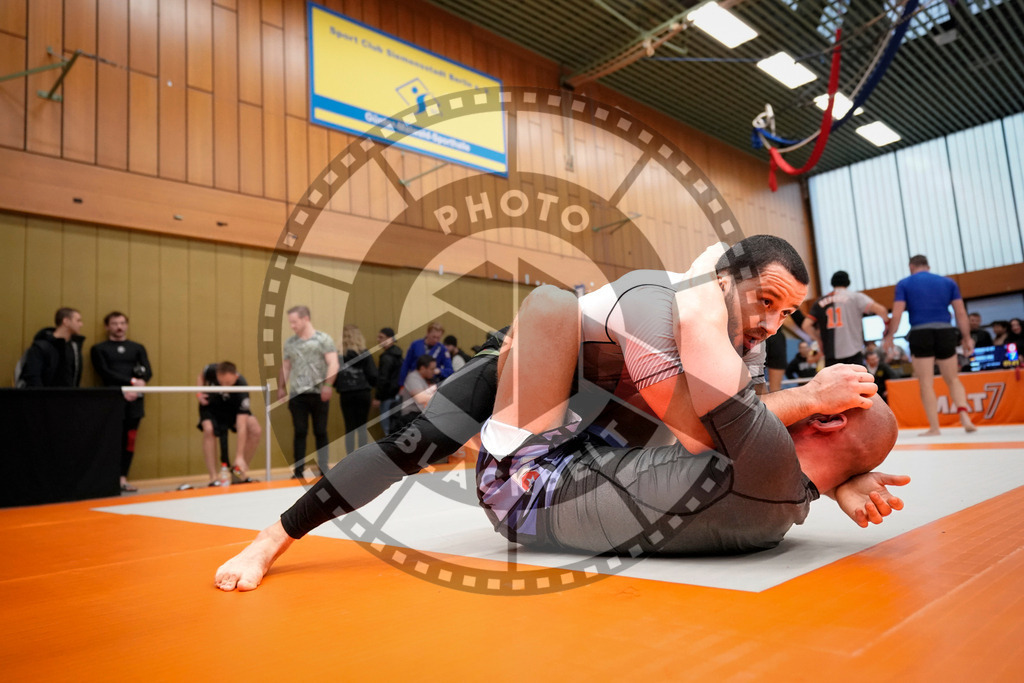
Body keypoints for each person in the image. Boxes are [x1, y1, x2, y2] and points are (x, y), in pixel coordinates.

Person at [214, 236, 879, 590]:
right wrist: (809, 398)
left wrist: (835, 476)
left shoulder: (735, 353)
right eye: (765, 301)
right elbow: (702, 429)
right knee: (424, 433)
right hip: (526, 422)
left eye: (787, 312)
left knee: (718, 410)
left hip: (588, 456)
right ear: (724, 281)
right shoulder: (656, 307)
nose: (772, 323)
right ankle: (275, 535)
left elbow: (752, 437)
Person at [474, 275, 906, 555]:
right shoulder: (787, 508)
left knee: (551, 302)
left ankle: (488, 389)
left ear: (828, 420)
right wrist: (837, 482)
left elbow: (696, 318)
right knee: (668, 401)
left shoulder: (766, 455)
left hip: (519, 484)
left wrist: (811, 393)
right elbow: (795, 465)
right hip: (566, 487)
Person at [885, 255, 976, 436]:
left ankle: (935, 427)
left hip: (921, 333)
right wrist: (966, 337)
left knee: (926, 383)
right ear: (928, 266)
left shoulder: (904, 284)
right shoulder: (948, 282)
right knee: (953, 378)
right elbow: (960, 312)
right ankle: (965, 418)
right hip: (945, 331)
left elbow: (897, 314)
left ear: (911, 266)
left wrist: (890, 336)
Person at [90, 312, 153, 493]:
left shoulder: (137, 348)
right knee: (112, 439)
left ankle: (122, 478)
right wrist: (130, 383)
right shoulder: (99, 349)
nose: (119, 327)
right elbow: (104, 372)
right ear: (107, 326)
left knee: (129, 440)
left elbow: (147, 371)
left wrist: (139, 385)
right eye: (115, 323)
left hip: (134, 401)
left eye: (122, 323)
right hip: (113, 400)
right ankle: (107, 479)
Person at [279, 306, 339, 477]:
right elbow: (286, 366)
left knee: (320, 431)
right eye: (290, 322)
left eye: (294, 322)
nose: (292, 326)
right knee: (299, 431)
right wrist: (281, 386)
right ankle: (298, 471)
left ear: (305, 319)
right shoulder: (290, 343)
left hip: (319, 393)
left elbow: (333, 363)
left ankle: (324, 468)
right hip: (298, 394)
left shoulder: (323, 339)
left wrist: (328, 385)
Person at [803, 270, 890, 367]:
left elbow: (806, 325)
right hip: (853, 352)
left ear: (832, 283)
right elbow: (882, 310)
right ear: (848, 282)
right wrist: (887, 327)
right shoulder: (855, 297)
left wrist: (819, 339)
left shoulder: (819, 302)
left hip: (831, 354)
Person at [197, 361, 262, 486]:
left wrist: (239, 455)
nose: (224, 387)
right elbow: (201, 376)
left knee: (255, 429)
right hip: (211, 406)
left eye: (228, 383)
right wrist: (199, 393)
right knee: (208, 429)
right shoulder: (211, 370)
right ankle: (213, 477)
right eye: (221, 382)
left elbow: (241, 424)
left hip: (232, 408)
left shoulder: (242, 386)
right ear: (217, 374)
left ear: (236, 376)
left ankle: (238, 471)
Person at [335, 324, 377, 455]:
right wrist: (371, 386)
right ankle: (362, 457)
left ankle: (350, 457)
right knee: (362, 427)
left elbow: (333, 375)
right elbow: (373, 374)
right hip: (363, 392)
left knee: (349, 427)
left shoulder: (339, 355)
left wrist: (339, 386)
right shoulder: (364, 353)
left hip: (346, 393)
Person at [19, 307, 85, 387]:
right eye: (78, 320)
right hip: (44, 394)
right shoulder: (40, 347)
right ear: (66, 321)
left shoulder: (74, 347)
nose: (81, 324)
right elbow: (33, 378)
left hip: (68, 394)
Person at [398, 322, 453, 386]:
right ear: (428, 333)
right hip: (414, 380)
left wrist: (439, 371)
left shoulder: (442, 349)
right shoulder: (415, 345)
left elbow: (450, 370)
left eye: (438, 338)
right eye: (434, 337)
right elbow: (406, 364)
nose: (435, 340)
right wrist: (401, 384)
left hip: (431, 382)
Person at [374, 327, 403, 435]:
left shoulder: (386, 357)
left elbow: (383, 378)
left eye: (381, 337)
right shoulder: (398, 355)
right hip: (397, 395)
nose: (378, 339)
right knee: (395, 427)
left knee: (387, 429)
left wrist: (378, 397)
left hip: (387, 396)